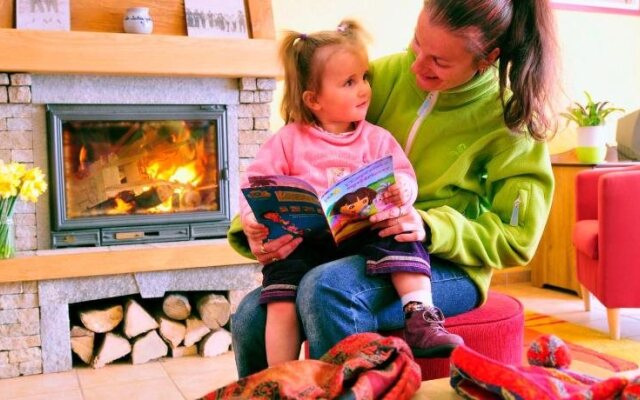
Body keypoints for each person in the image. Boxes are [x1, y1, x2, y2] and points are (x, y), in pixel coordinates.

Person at [228, 0, 557, 377]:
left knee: (326, 290)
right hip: (351, 244)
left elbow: (518, 237)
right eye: (416, 43)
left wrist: (432, 227)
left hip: (444, 262)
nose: (417, 66)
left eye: (439, 62)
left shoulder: (511, 118)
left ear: (487, 58)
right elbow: (296, 155)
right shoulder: (379, 76)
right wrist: (255, 230)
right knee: (252, 314)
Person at [238, 19, 463, 368]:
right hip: (305, 244)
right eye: (348, 82)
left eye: (364, 78)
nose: (363, 90)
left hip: (361, 237)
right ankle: (281, 375)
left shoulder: (375, 138)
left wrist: (403, 190)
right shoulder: (288, 140)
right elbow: (254, 184)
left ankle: (420, 315)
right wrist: (254, 219)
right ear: (314, 99)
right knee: (279, 297)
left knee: (401, 232)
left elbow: (402, 174)